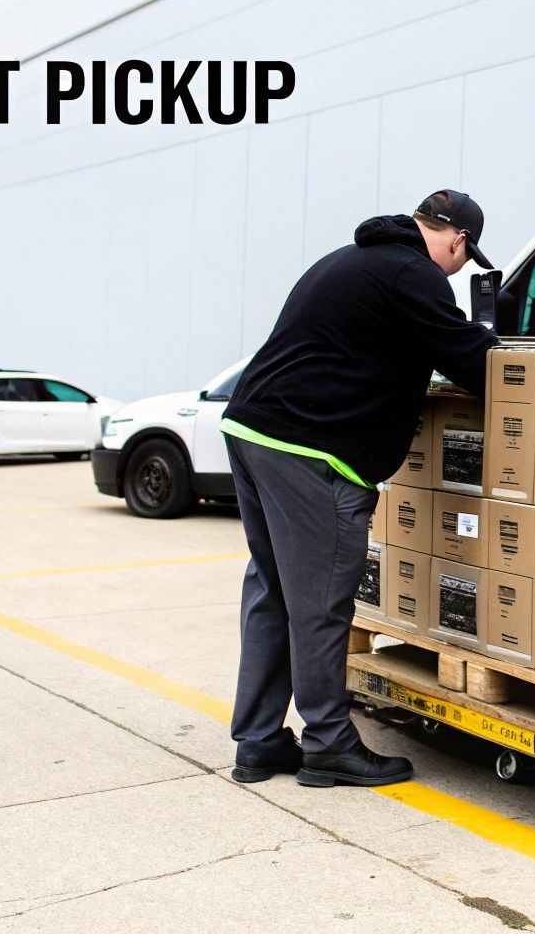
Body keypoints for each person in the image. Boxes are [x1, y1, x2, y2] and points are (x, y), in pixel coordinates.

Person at [220, 190, 500, 787]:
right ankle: (328, 743)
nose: (455, 270)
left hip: (253, 430)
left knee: (274, 591)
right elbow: (472, 361)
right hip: (310, 450)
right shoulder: (415, 274)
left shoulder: (349, 259)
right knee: (320, 603)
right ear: (458, 243)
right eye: (461, 260)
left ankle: (261, 741)